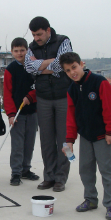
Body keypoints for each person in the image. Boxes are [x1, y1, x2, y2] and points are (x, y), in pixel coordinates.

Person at [61, 52, 111, 220]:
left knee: (106, 170)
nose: (72, 72)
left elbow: (110, 108)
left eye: (74, 67)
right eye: (67, 70)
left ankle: (110, 203)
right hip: (85, 136)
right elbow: (71, 117)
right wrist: (69, 141)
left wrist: (110, 131)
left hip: (102, 135)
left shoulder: (99, 82)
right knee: (85, 169)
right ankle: (90, 199)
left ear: (81, 64)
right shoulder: (71, 89)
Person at [25, 16, 73, 192]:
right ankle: (49, 176)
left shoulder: (63, 41)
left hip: (63, 97)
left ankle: (62, 177)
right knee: (46, 141)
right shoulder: (31, 47)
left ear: (48, 30)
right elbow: (28, 67)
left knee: (65, 141)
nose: (36, 38)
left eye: (39, 34)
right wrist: (50, 64)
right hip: (43, 98)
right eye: (34, 35)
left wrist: (40, 67)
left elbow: (63, 65)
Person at [3, 37, 39, 186]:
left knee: (29, 143)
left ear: (27, 51)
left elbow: (40, 87)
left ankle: (26, 169)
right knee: (17, 145)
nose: (19, 53)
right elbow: (7, 94)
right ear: (12, 52)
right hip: (17, 114)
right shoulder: (10, 70)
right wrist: (11, 114)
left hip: (33, 112)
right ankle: (16, 172)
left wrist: (31, 97)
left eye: (22, 50)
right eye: (16, 51)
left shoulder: (35, 67)